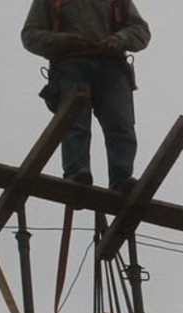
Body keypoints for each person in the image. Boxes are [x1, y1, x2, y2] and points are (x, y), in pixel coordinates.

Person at [22, 0, 151, 191]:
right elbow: (30, 35)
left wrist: (120, 38)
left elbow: (141, 31)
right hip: (70, 66)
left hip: (112, 67)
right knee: (75, 125)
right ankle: (76, 173)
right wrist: (62, 41)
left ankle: (122, 178)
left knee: (120, 124)